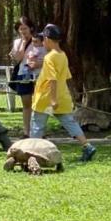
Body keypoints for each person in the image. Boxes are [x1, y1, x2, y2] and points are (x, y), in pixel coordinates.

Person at [30, 23, 96, 162]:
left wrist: (53, 100)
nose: (42, 42)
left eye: (43, 39)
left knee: (37, 125)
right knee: (70, 123)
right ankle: (87, 146)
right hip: (62, 97)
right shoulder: (63, 55)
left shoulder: (49, 57)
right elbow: (65, 77)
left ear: (47, 39)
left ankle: (32, 153)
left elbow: (52, 79)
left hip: (46, 99)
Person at [9, 16, 36, 136]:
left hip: (37, 74)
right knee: (26, 103)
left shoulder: (38, 40)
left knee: (38, 103)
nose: (23, 31)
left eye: (25, 28)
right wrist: (23, 43)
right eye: (20, 29)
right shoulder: (17, 42)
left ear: (30, 28)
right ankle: (26, 131)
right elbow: (18, 58)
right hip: (23, 74)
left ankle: (38, 131)